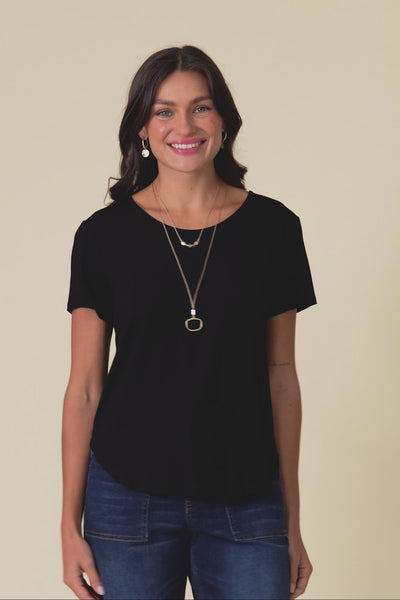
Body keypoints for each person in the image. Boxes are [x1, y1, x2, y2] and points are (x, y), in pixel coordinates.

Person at [61, 45, 316, 600]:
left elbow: (281, 377)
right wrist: (68, 524)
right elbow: (84, 386)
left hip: (248, 496)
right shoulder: (102, 236)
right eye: (164, 111)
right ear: (142, 128)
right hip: (126, 496)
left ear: (223, 120)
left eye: (201, 107)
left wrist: (291, 521)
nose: (185, 126)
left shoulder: (274, 229)